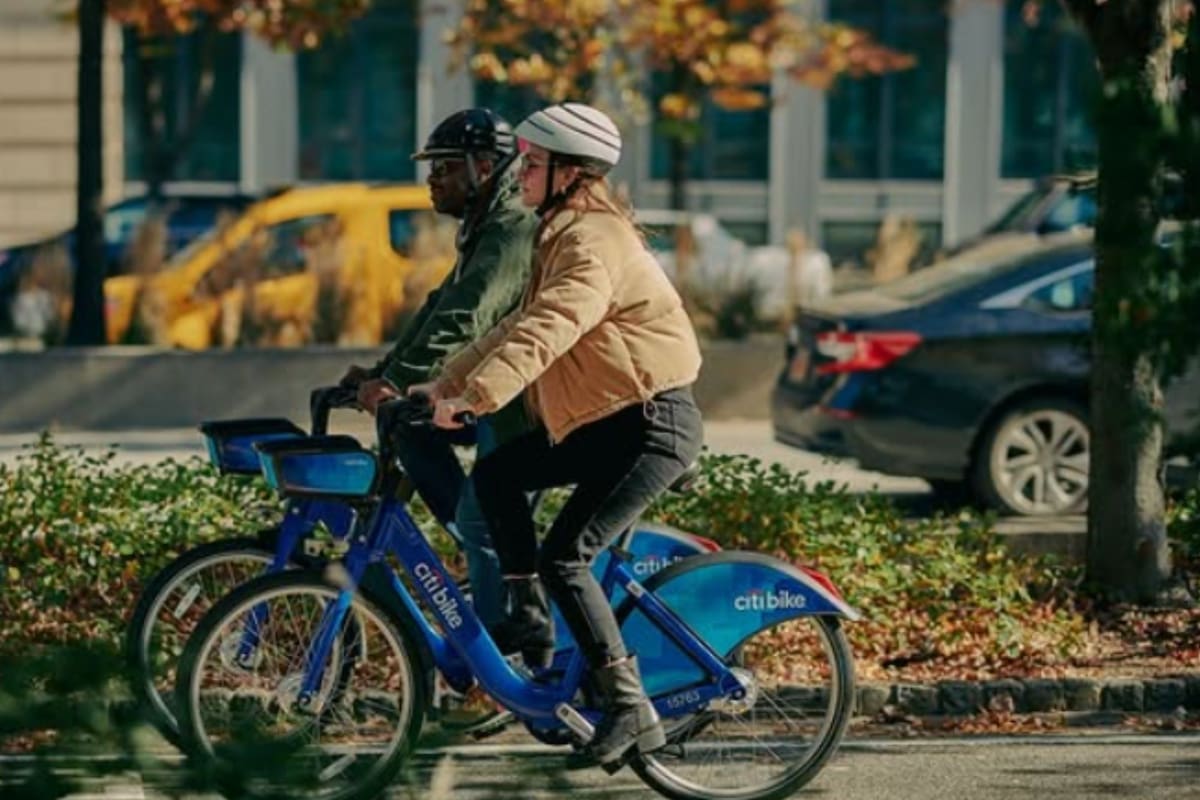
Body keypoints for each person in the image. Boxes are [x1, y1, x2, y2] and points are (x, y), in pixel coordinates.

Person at [411, 103, 704, 771]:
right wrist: (441, 386)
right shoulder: (561, 231)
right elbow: (516, 324)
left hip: (651, 423)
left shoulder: (593, 239)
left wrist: (477, 400)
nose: (520, 177)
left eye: (534, 165)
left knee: (567, 555)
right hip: (610, 421)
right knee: (496, 477)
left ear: (571, 173)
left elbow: (556, 327)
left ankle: (629, 705)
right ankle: (530, 620)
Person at [338, 108, 538, 640]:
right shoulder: (486, 226)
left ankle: (506, 645)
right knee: (415, 434)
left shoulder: (512, 228)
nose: (432, 179)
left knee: (482, 518)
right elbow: (438, 305)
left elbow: (466, 316)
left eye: (445, 167)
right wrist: (383, 372)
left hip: (528, 405)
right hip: (498, 396)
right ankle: (489, 570)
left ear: (485, 167)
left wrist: (397, 383)